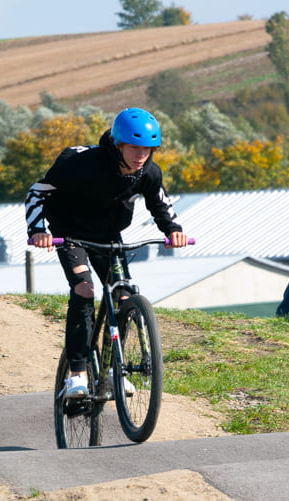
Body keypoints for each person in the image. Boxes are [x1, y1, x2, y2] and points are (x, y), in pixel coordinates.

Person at [26, 107, 188, 398]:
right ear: (118, 145)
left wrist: (172, 229)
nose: (142, 156)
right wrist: (38, 231)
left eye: (148, 150)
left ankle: (115, 371)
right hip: (70, 234)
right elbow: (38, 193)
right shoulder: (79, 163)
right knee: (85, 290)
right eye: (135, 148)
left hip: (108, 236)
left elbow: (160, 203)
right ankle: (76, 375)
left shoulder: (148, 172)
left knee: (123, 295)